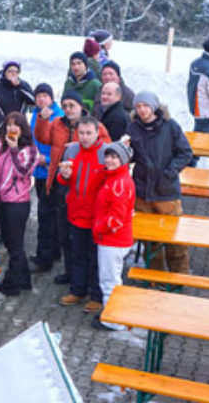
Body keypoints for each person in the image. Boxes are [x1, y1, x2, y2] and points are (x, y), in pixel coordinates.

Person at [34, 90, 110, 285]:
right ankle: (70, 273)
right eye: (65, 105)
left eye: (72, 105)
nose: (68, 109)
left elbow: (106, 153)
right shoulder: (58, 123)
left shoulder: (94, 126)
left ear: (80, 107)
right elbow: (42, 137)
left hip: (83, 187)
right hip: (60, 180)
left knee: (81, 237)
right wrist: (42, 121)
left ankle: (86, 279)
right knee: (64, 233)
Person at [127, 91, 193, 273]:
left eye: (145, 106)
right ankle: (155, 277)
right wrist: (125, 152)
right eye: (138, 106)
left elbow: (185, 153)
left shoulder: (170, 126)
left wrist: (170, 172)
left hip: (166, 192)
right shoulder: (132, 128)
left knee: (174, 237)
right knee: (151, 239)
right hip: (142, 193)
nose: (141, 110)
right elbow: (129, 157)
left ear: (154, 106)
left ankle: (180, 276)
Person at [57, 116, 108, 313]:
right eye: (82, 133)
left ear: (97, 133)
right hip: (75, 212)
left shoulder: (106, 153)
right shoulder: (71, 150)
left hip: (97, 217)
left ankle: (96, 295)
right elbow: (63, 179)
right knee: (76, 253)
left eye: (89, 133)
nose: (85, 137)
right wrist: (64, 176)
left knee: (95, 257)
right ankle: (77, 290)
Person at [0, 112, 37, 297]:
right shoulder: (0, 144)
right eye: (9, 124)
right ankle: (24, 279)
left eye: (16, 125)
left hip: (18, 203)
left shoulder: (30, 150)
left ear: (22, 128)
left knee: (15, 246)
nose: (11, 128)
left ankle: (12, 284)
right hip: (1, 198)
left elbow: (23, 172)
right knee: (11, 243)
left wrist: (14, 149)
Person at [91, 142, 135, 331]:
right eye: (108, 156)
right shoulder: (115, 177)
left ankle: (113, 321)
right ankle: (112, 311)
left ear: (123, 160)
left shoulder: (119, 184)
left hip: (112, 240)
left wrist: (99, 228)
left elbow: (116, 217)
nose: (109, 160)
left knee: (109, 280)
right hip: (113, 239)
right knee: (111, 279)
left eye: (114, 157)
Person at [29, 83, 63, 273]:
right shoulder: (36, 114)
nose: (41, 99)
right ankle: (54, 251)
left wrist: (48, 160)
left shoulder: (57, 117)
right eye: (38, 96)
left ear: (51, 98)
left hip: (53, 171)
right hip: (39, 172)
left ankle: (44, 258)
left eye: (44, 96)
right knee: (51, 213)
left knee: (46, 215)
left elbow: (62, 147)